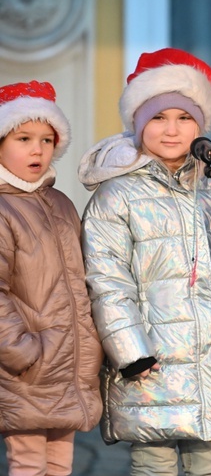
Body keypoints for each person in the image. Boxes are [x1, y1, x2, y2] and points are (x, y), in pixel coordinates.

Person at [79, 48, 211, 476]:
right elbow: (106, 277)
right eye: (158, 118)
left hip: (207, 359)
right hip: (148, 362)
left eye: (184, 118)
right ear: (137, 123)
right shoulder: (116, 196)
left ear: (201, 126)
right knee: (154, 462)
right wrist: (130, 351)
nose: (172, 130)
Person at [0, 81, 103, 476]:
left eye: (47, 140)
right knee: (27, 462)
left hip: (68, 358)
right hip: (27, 365)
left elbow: (79, 278)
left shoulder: (60, 203)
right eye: (23, 138)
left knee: (60, 464)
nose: (37, 149)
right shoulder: (5, 208)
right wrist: (21, 349)